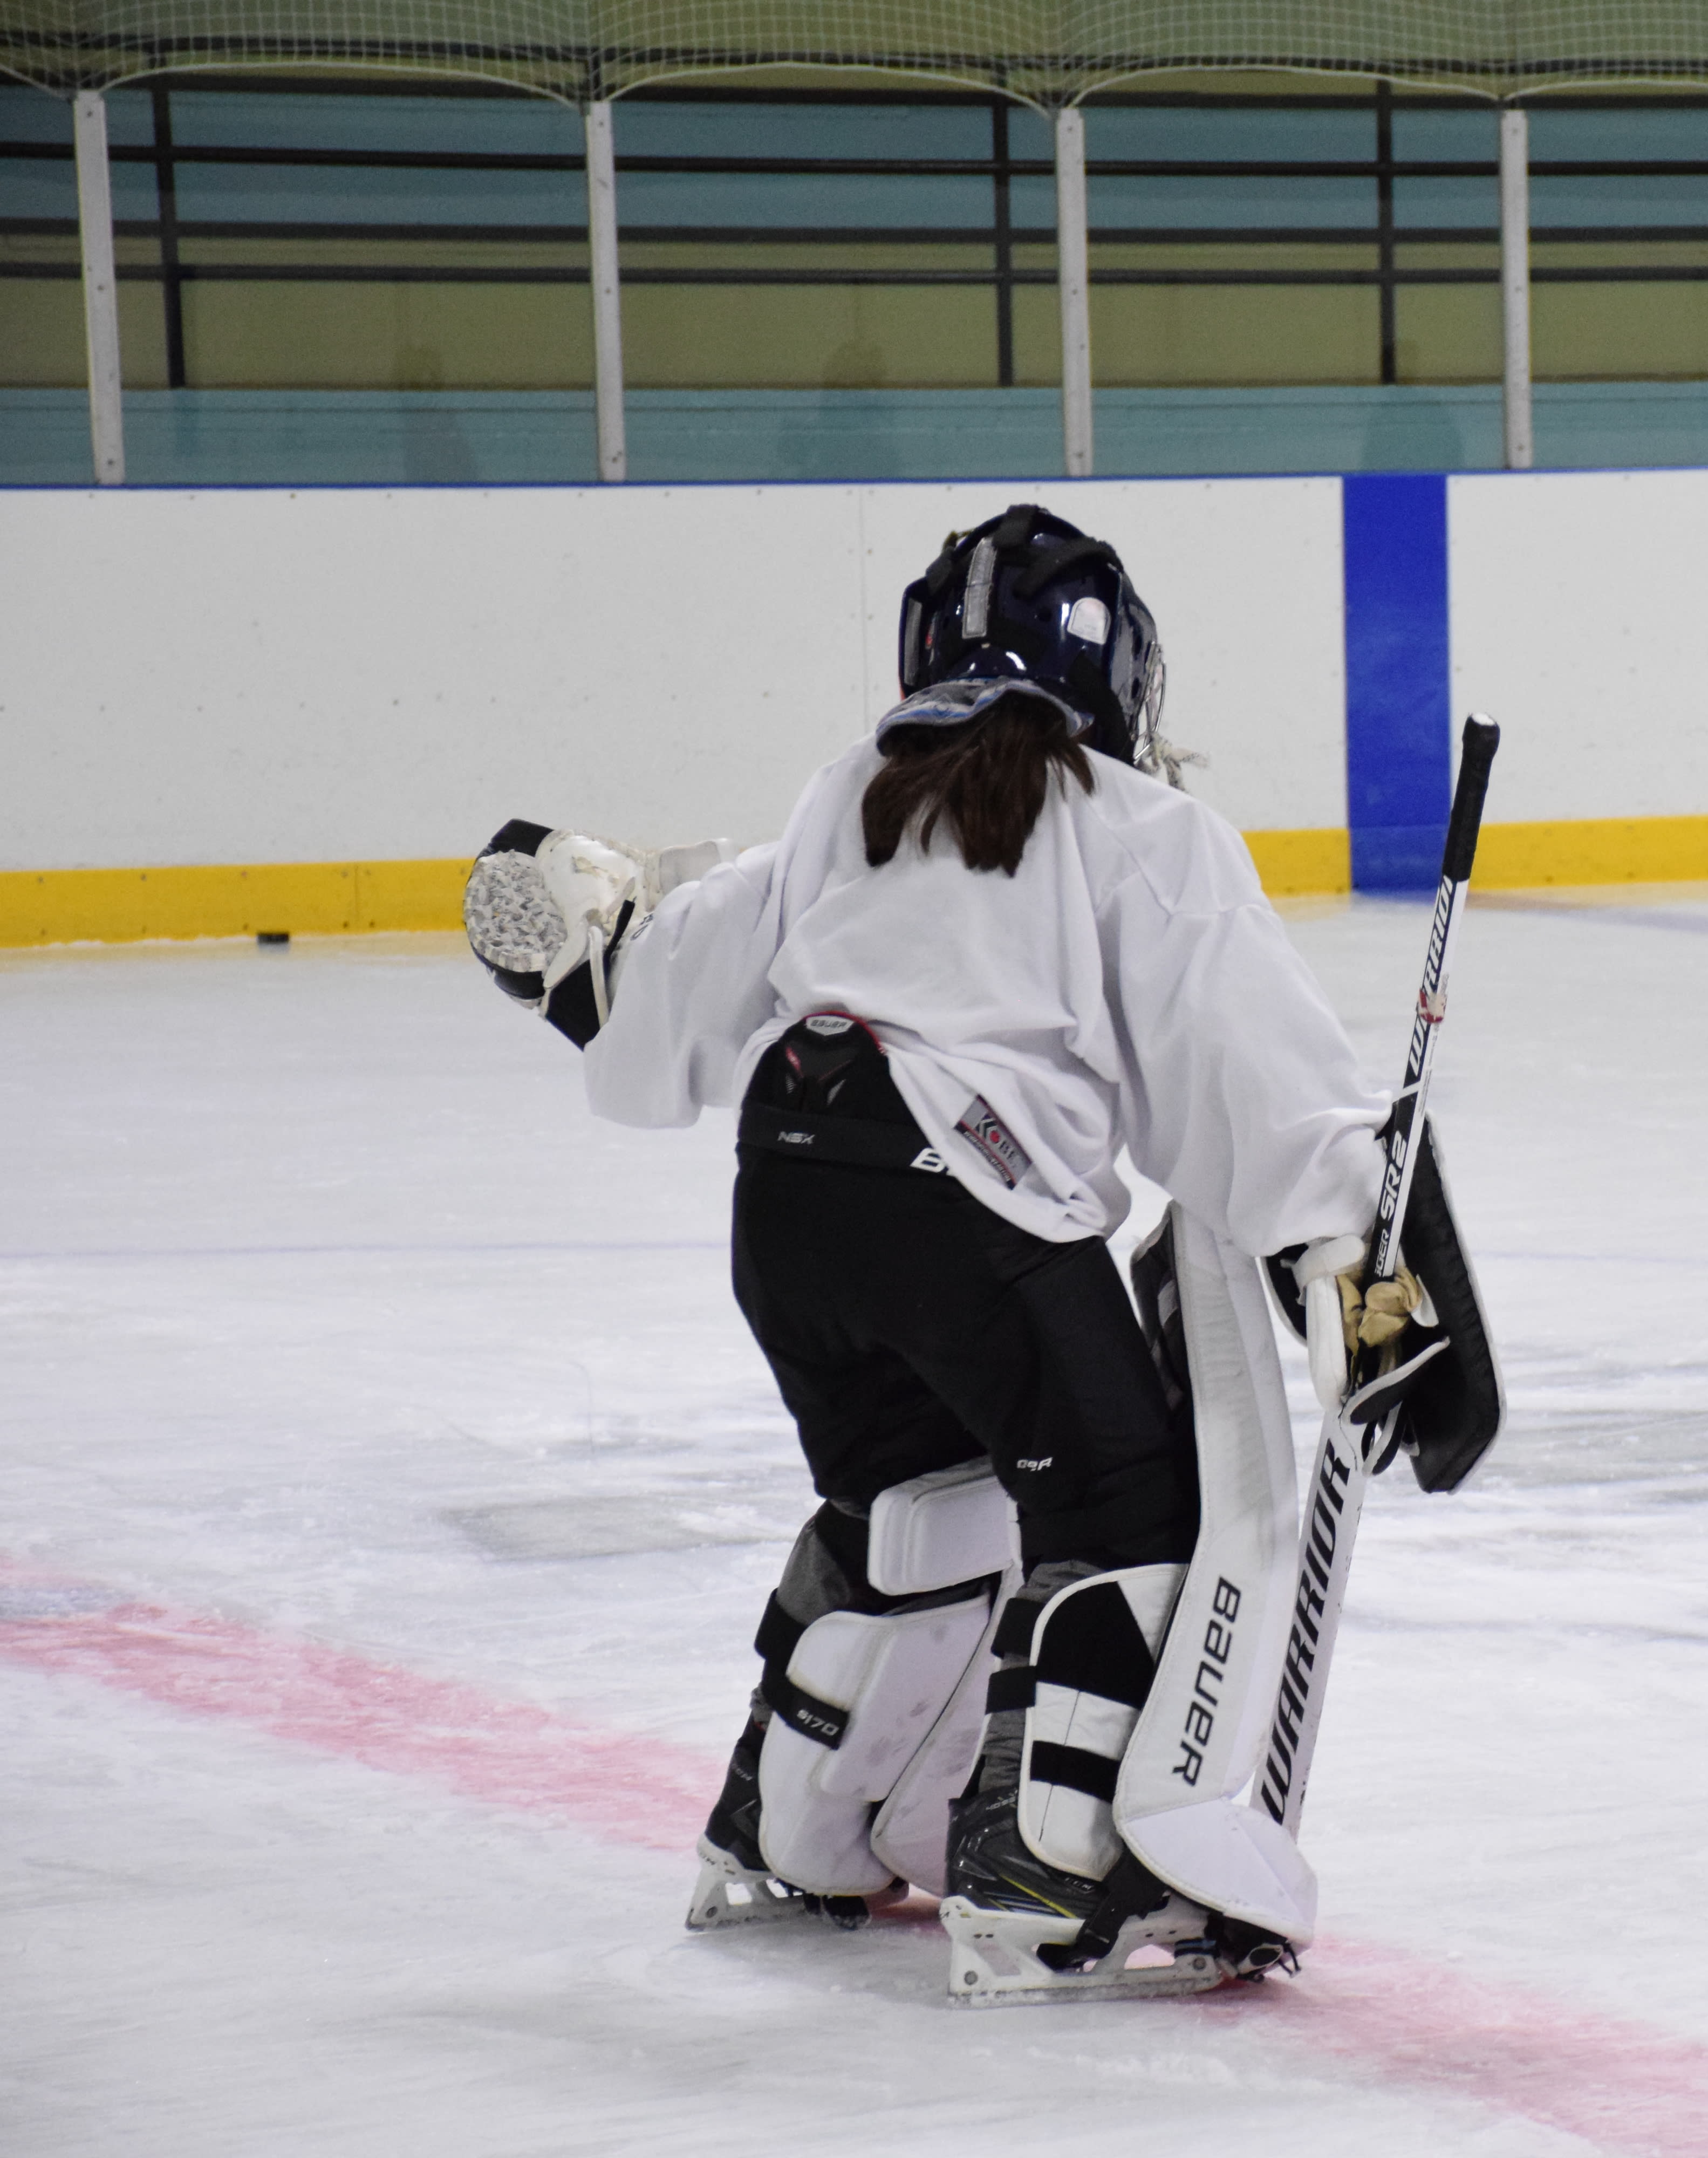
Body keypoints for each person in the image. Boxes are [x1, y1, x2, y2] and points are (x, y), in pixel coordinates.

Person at [460, 505, 1491, 1997]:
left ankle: (794, 1834)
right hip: (965, 1206)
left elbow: (674, 986)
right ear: (1124, 674)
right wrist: (1364, 1267)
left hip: (791, 1197)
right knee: (1125, 1518)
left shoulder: (849, 794)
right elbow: (1247, 1065)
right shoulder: (1139, 826)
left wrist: (608, 964)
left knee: (918, 1511)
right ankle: (1053, 1879)